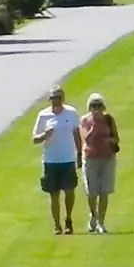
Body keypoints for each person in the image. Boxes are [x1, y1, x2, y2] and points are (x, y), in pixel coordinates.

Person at [31, 86, 81, 233]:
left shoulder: (71, 113)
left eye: (58, 98)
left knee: (70, 191)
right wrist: (45, 135)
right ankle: (57, 225)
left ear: (63, 99)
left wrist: (79, 153)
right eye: (53, 98)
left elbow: (76, 134)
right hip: (51, 160)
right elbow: (35, 139)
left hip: (67, 159)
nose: (56, 101)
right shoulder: (43, 116)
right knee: (54, 194)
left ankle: (68, 219)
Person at [79, 93, 121, 234]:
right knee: (92, 192)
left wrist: (108, 140)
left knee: (104, 191)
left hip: (107, 158)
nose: (96, 108)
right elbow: (85, 139)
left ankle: (101, 222)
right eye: (93, 106)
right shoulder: (85, 120)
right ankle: (93, 216)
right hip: (90, 158)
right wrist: (94, 126)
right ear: (89, 107)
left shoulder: (108, 119)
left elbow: (116, 138)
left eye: (99, 105)